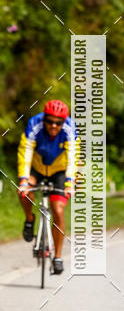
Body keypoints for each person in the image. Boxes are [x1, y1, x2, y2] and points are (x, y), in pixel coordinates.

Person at [17, 100, 79, 274]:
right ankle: (29, 219)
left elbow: (73, 156)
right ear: (44, 119)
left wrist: (70, 182)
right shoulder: (34, 124)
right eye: (50, 121)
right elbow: (25, 151)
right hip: (36, 168)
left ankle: (58, 257)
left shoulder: (70, 127)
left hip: (59, 170)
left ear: (63, 122)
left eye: (58, 123)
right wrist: (23, 179)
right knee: (24, 191)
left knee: (58, 210)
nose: (54, 126)